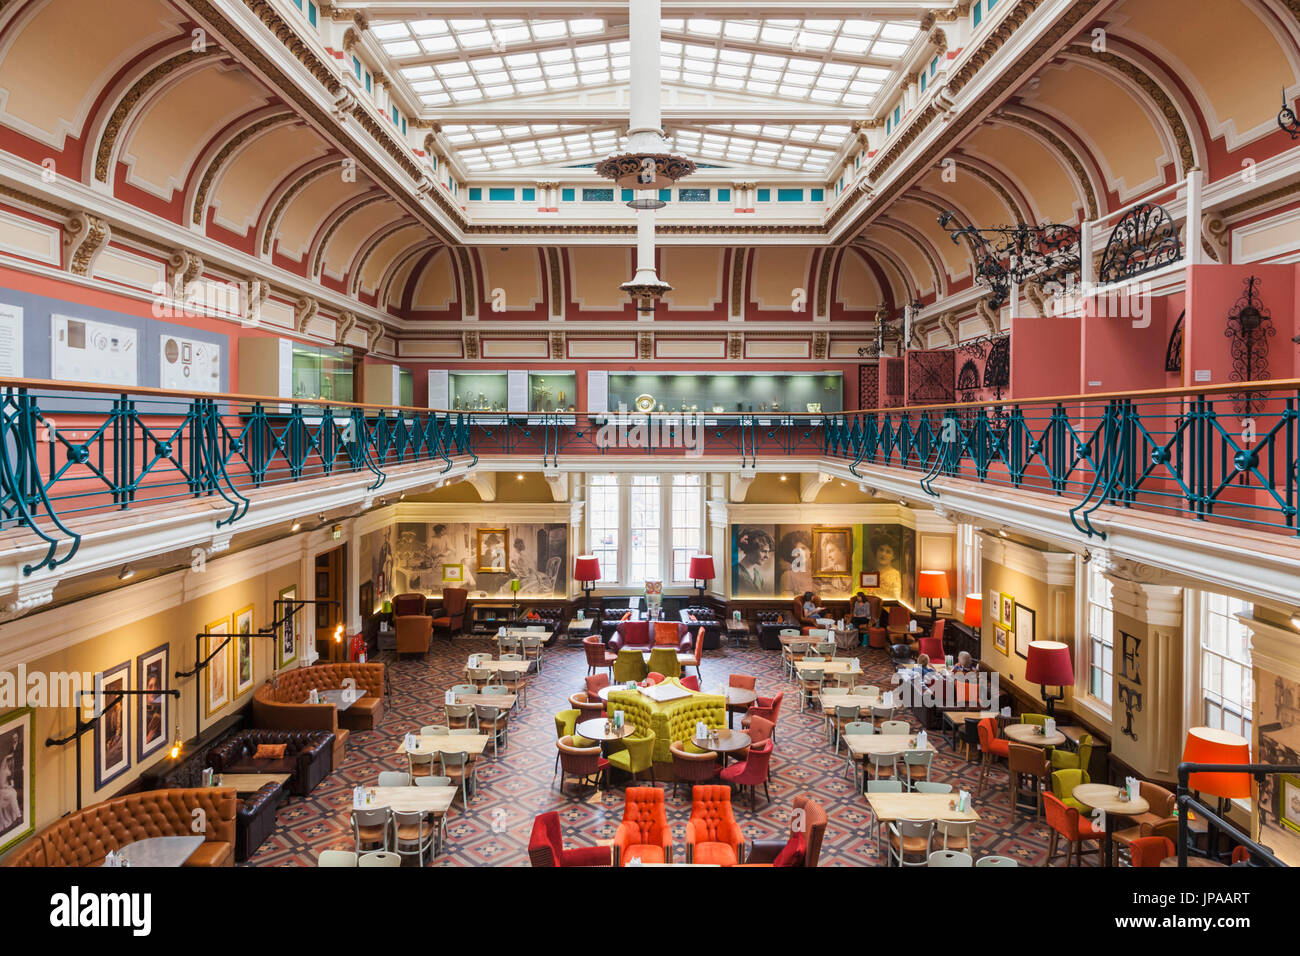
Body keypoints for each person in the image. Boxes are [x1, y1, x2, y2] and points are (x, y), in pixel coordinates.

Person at [732, 528, 774, 596]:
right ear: (751, 549)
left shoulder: (758, 576)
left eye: (768, 552)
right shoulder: (734, 573)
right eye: (763, 551)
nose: (767, 556)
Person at [777, 530, 813, 596]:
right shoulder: (788, 576)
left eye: (803, 548)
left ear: (810, 550)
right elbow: (787, 602)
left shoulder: (814, 574)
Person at [0, 753, 19, 833]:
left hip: (5, 788)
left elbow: (6, 783)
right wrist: (9, 787)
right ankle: (17, 814)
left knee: (13, 792)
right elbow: (2, 785)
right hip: (2, 791)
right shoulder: (4, 771)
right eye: (11, 761)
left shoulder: (7, 769)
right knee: (13, 793)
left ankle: (14, 814)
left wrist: (10, 785)